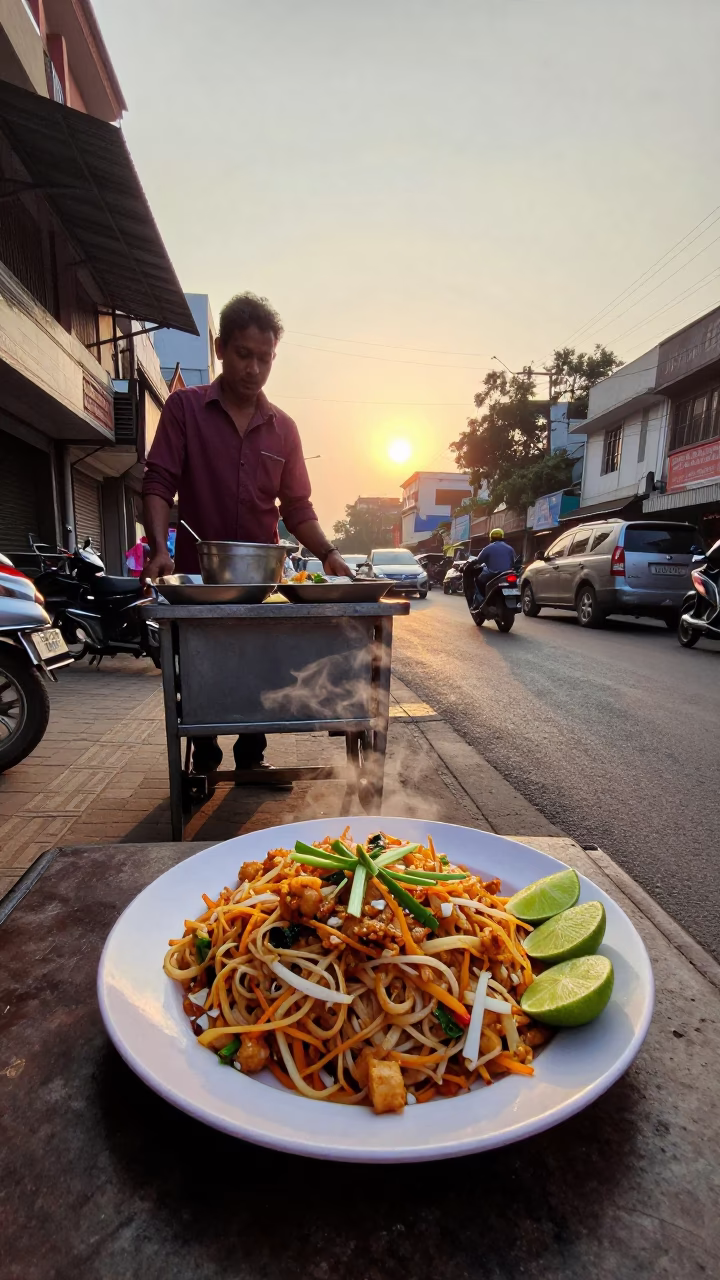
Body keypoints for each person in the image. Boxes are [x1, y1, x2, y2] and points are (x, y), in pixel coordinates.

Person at [142, 291, 352, 780]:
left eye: (265, 358)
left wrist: (329, 553)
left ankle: (251, 757)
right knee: (202, 669)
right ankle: (204, 755)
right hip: (199, 579)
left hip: (261, 582)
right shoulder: (184, 409)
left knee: (256, 666)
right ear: (220, 348)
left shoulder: (285, 429)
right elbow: (158, 483)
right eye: (243, 355)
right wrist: (158, 549)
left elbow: (297, 508)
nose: (254, 368)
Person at [474, 528, 516, 601]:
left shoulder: (488, 548)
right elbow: (514, 561)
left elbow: (478, 560)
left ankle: (482, 598)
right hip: (507, 574)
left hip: (493, 573)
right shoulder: (510, 548)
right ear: (502, 536)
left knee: (478, 579)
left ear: (491, 538)